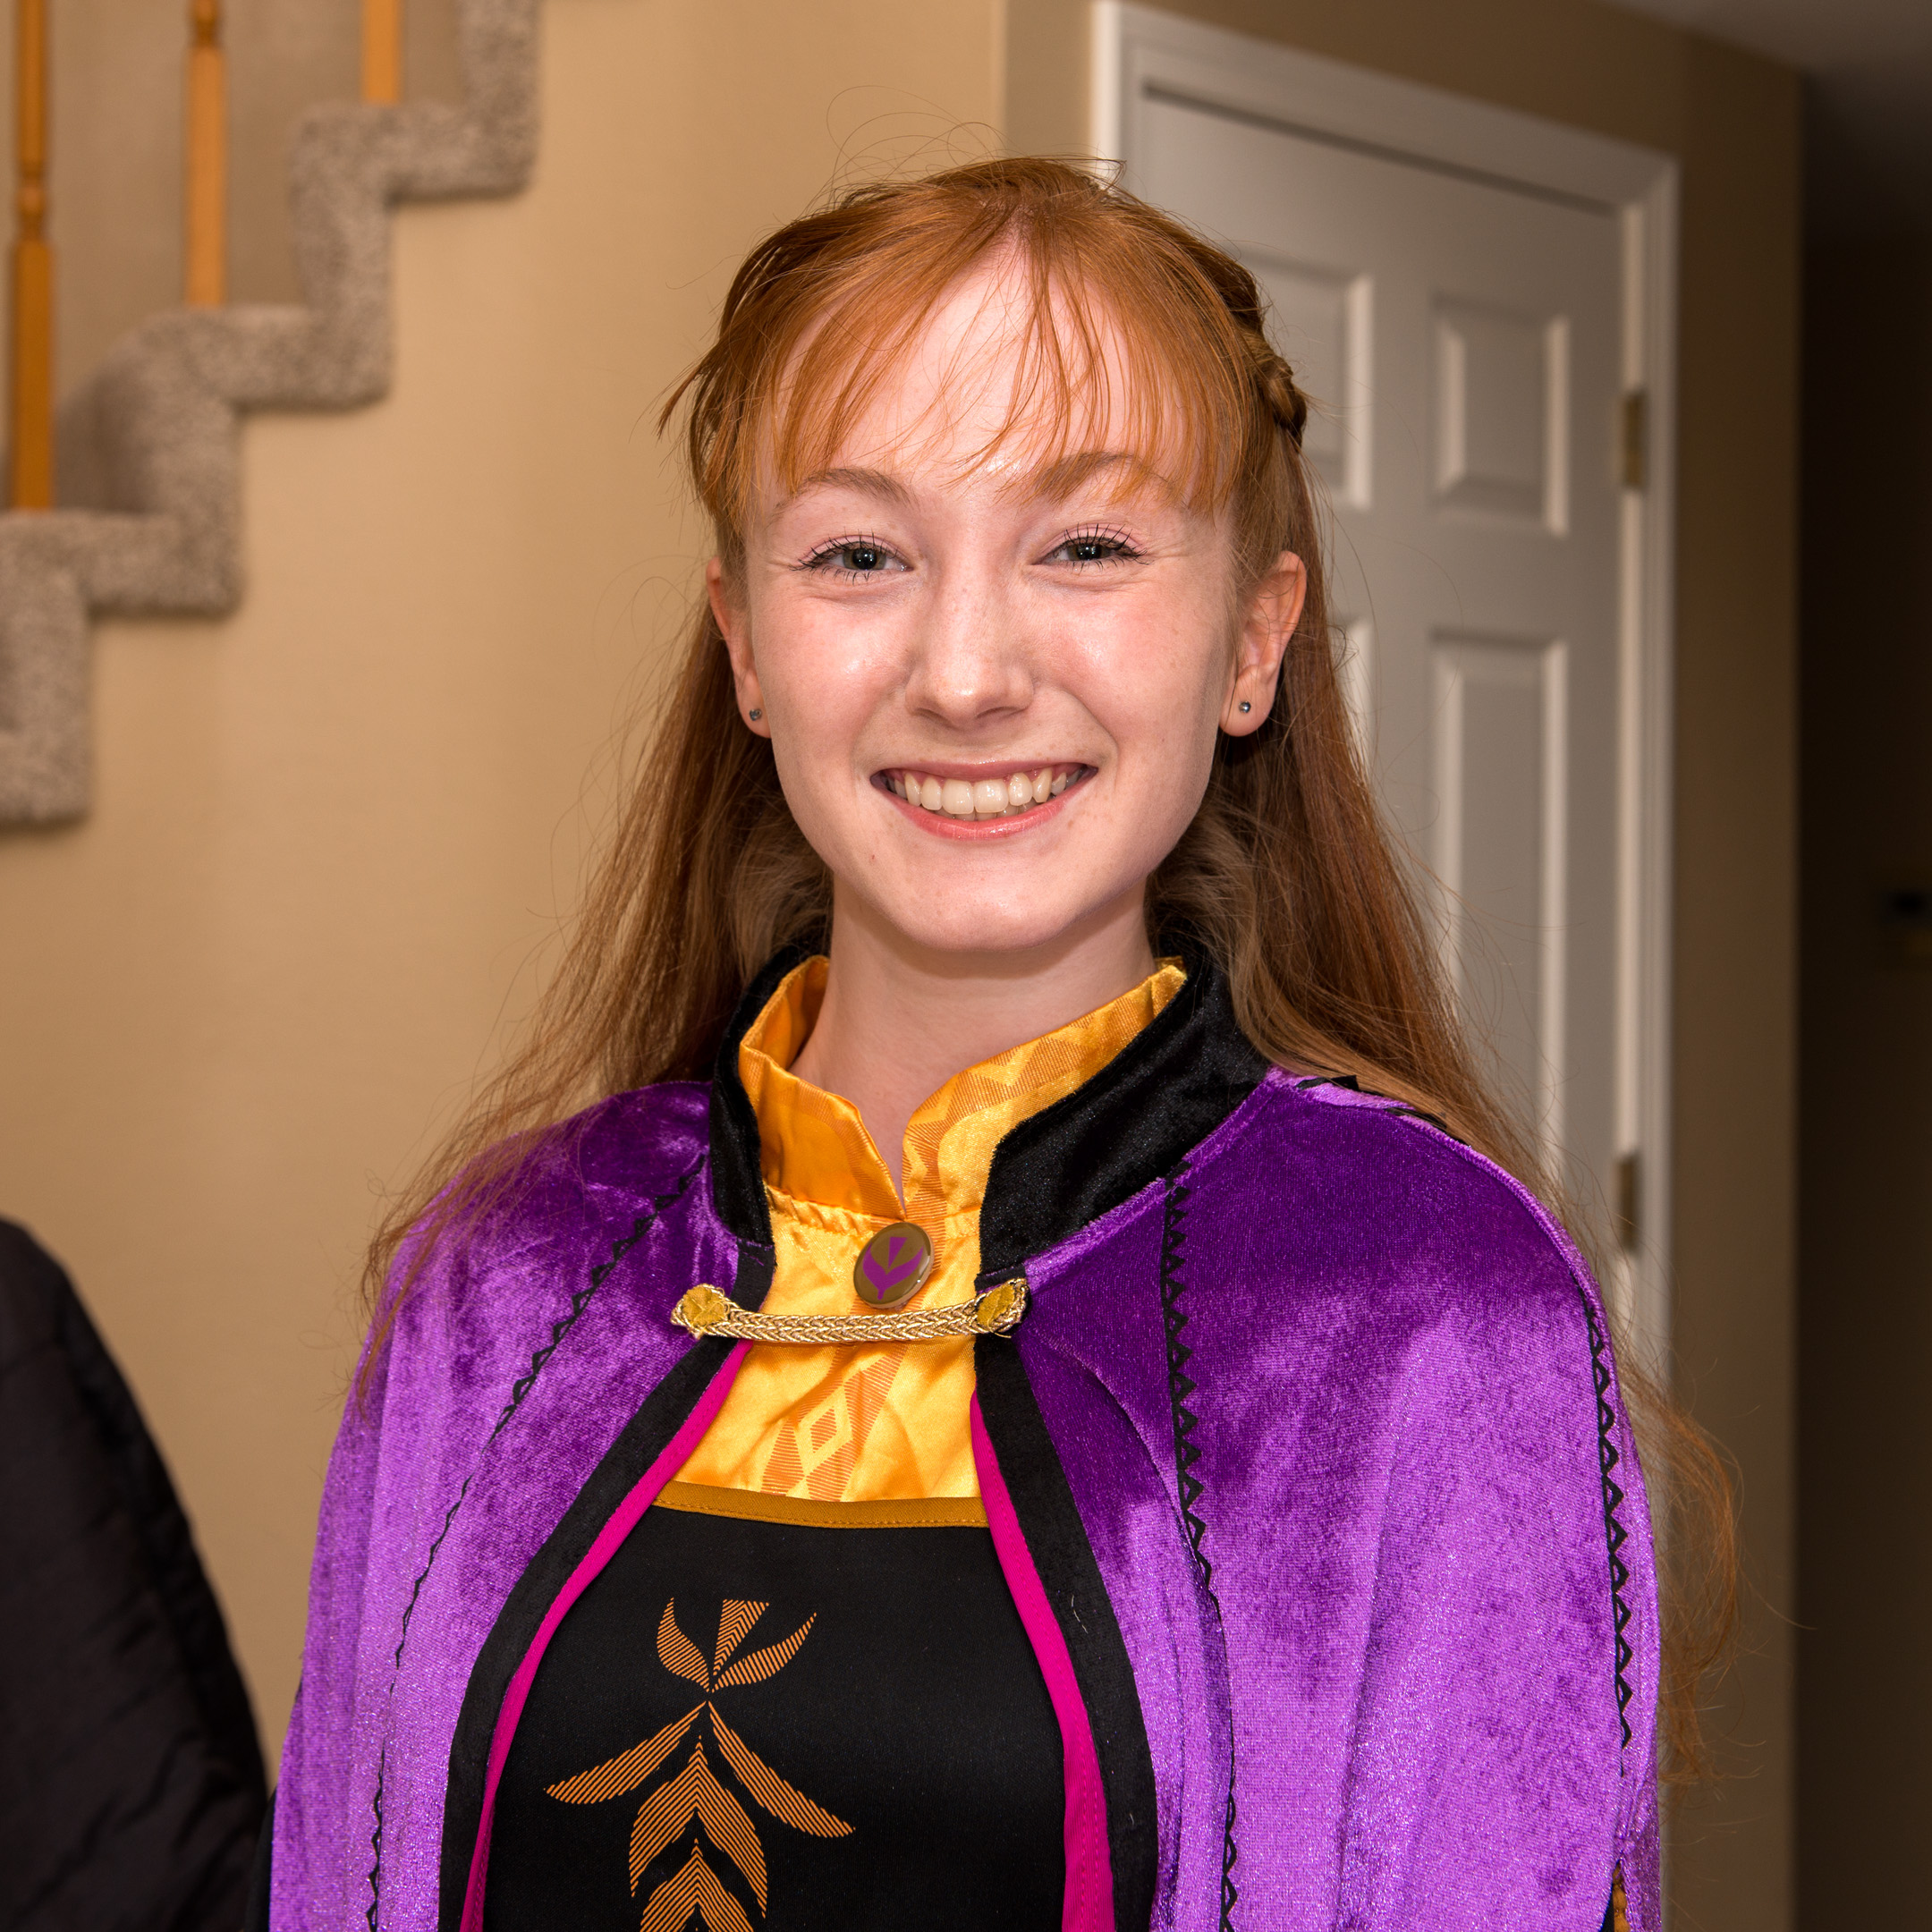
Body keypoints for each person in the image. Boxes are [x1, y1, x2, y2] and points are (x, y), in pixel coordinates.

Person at [258, 158, 1699, 1932]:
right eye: (859, 555)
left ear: (1254, 640)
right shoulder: (501, 1279)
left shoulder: (1433, 1309)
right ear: (745, 644)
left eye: (1086, 547)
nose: (962, 672)